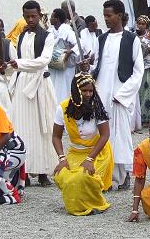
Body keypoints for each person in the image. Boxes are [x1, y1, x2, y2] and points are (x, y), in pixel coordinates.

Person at [84, 0, 144, 190]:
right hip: (101, 92)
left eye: (109, 15)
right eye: (105, 16)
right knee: (103, 134)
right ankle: (106, 175)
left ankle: (124, 174)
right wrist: (87, 67)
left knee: (121, 135)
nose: (106, 19)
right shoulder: (100, 39)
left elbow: (138, 71)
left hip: (121, 94)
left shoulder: (132, 39)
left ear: (119, 15)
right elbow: (96, 66)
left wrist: (123, 94)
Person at [8, 0, 57, 186]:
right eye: (27, 16)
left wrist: (19, 64)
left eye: (33, 16)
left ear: (40, 16)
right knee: (21, 128)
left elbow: (43, 60)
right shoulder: (20, 36)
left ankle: (44, 171)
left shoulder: (48, 36)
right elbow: (17, 60)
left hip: (40, 85)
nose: (30, 19)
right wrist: (10, 66)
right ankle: (24, 171)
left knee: (43, 127)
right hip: (22, 84)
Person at [52, 73, 113, 215]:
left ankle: (95, 204)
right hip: (75, 152)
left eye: (91, 91)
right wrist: (62, 159)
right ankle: (78, 203)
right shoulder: (62, 108)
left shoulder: (97, 105)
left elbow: (105, 136)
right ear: (75, 90)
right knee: (62, 176)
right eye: (84, 90)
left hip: (97, 152)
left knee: (83, 176)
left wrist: (89, 159)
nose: (88, 94)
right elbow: (56, 136)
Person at [48, 8, 78, 104]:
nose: (50, 18)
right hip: (53, 67)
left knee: (64, 91)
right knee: (53, 90)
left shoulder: (67, 31)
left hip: (66, 68)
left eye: (52, 16)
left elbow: (79, 44)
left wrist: (70, 51)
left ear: (57, 19)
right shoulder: (50, 32)